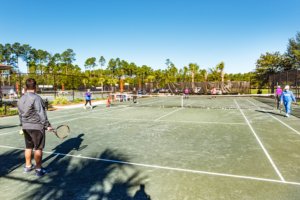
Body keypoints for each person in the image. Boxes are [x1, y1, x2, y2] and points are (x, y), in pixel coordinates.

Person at [17, 78, 52, 177]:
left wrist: (22, 124)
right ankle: (38, 169)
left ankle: (28, 166)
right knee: (38, 148)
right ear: (35, 87)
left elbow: (20, 114)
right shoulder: (37, 98)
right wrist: (47, 125)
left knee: (28, 147)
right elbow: (41, 113)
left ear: (26, 87)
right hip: (36, 127)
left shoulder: (21, 98)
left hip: (25, 126)